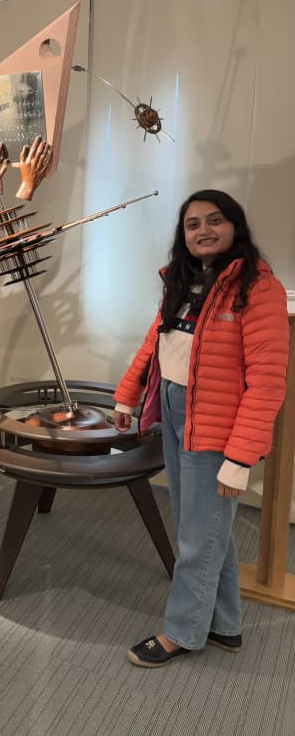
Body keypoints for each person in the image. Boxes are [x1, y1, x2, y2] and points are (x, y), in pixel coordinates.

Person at [112, 189, 289, 667]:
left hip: (215, 421)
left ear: (235, 227)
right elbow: (156, 341)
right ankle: (225, 624)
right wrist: (128, 393)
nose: (204, 230)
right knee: (207, 526)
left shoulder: (258, 288)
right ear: (183, 234)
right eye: (193, 224)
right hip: (171, 408)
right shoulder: (184, 281)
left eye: (215, 220)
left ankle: (183, 631)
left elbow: (268, 381)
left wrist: (240, 457)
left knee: (196, 534)